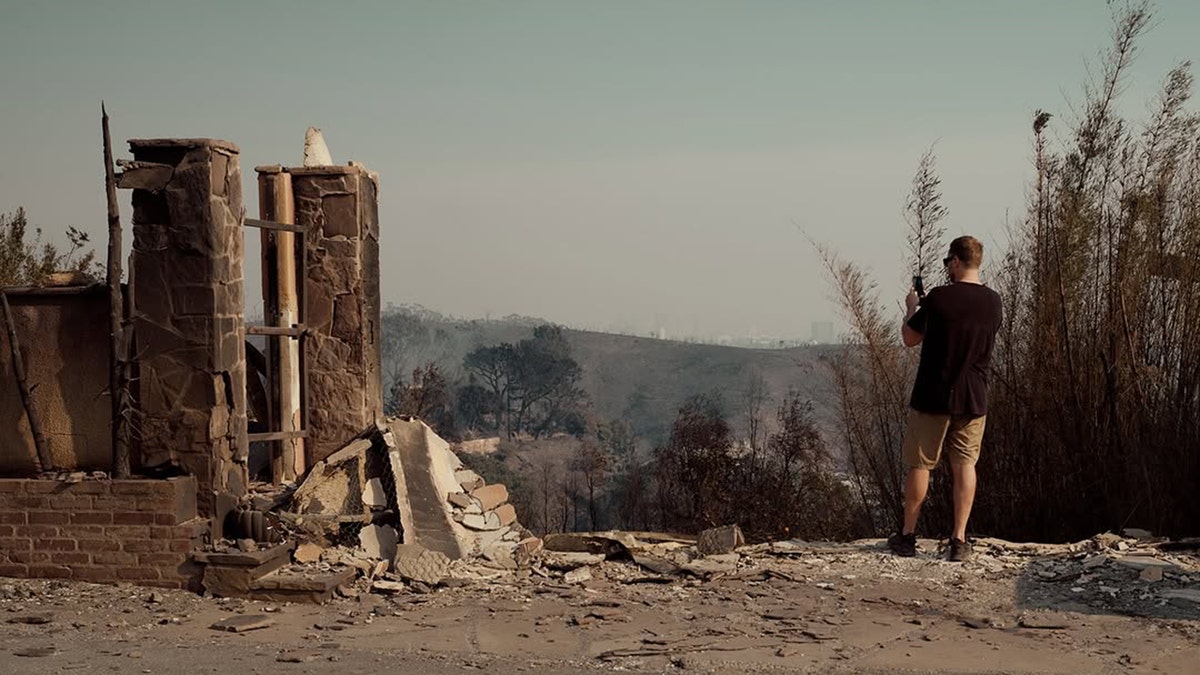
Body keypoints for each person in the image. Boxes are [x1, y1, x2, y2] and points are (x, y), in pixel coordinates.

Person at [887, 235, 1002, 562]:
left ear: (955, 261)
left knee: (921, 465)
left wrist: (913, 307)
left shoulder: (937, 299)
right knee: (966, 465)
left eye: (946, 263)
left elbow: (910, 338)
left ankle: (908, 536)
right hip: (974, 396)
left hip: (933, 395)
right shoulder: (994, 302)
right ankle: (959, 540)